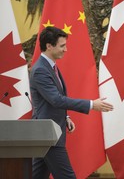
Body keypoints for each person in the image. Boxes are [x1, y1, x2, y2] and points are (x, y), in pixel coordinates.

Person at [30, 26, 114, 179]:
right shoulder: (41, 70)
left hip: (48, 132)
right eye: (62, 45)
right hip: (49, 135)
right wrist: (91, 104)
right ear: (49, 46)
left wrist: (66, 117)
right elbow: (55, 99)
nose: (66, 49)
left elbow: (50, 100)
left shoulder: (50, 66)